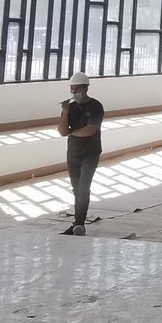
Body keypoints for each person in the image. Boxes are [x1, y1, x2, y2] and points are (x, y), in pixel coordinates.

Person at [57, 72, 104, 235]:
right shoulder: (70, 108)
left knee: (84, 187)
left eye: (76, 88)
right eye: (71, 88)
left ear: (85, 88)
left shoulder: (96, 106)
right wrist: (65, 112)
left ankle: (79, 223)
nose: (73, 91)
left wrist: (72, 131)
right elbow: (62, 131)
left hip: (90, 153)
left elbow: (90, 130)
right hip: (73, 154)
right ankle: (78, 221)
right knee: (76, 188)